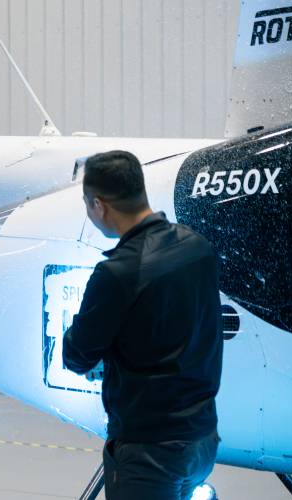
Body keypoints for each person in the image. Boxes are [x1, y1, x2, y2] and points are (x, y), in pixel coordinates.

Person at [62, 150, 222, 500]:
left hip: (149, 455)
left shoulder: (117, 273)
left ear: (98, 205)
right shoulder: (197, 247)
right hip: (202, 440)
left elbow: (76, 356)